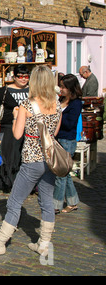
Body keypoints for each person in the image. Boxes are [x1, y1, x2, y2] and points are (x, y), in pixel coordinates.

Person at [0, 65, 62, 258]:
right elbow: (54, 133)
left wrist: (16, 116)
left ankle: (0, 243)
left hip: (32, 158)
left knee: (15, 201)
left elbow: (17, 135)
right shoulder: (56, 104)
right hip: (49, 159)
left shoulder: (27, 104)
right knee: (46, 201)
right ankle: (44, 243)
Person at [0, 64, 30, 192]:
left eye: (26, 76)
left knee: (22, 155)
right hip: (8, 125)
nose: (23, 79)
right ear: (14, 77)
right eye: (20, 76)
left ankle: (23, 183)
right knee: (9, 154)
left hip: (27, 127)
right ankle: (8, 181)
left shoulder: (32, 90)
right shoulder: (5, 90)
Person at [53, 74, 82, 214]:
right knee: (65, 173)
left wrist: (57, 117)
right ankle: (73, 202)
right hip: (58, 139)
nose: (61, 89)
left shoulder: (76, 103)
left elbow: (70, 124)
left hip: (67, 141)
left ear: (71, 88)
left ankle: (56, 205)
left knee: (60, 174)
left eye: (64, 87)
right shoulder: (60, 99)